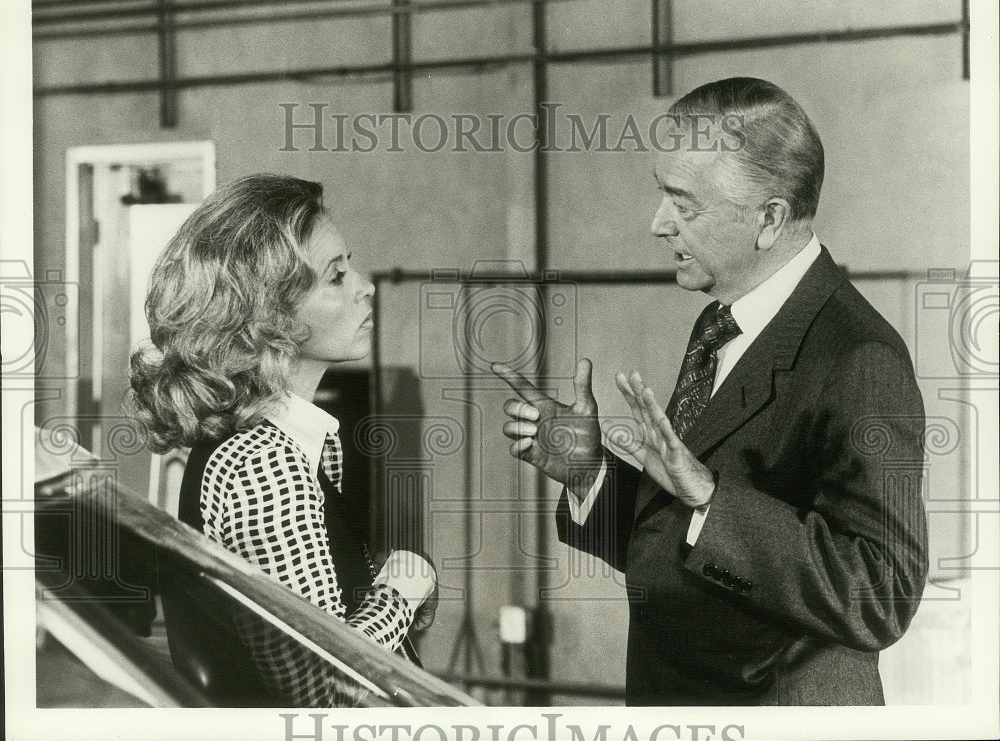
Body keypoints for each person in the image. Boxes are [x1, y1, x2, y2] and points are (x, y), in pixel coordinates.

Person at [493, 77, 928, 706]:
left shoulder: (860, 357)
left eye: (682, 203)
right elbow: (685, 549)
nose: (657, 223)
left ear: (769, 219)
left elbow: (880, 594)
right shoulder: (722, 321)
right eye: (660, 195)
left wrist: (710, 498)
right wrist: (588, 471)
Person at [128, 174, 436, 706]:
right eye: (335, 277)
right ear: (269, 317)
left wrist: (378, 592)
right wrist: (404, 589)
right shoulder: (261, 461)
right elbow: (325, 695)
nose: (365, 285)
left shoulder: (290, 440)